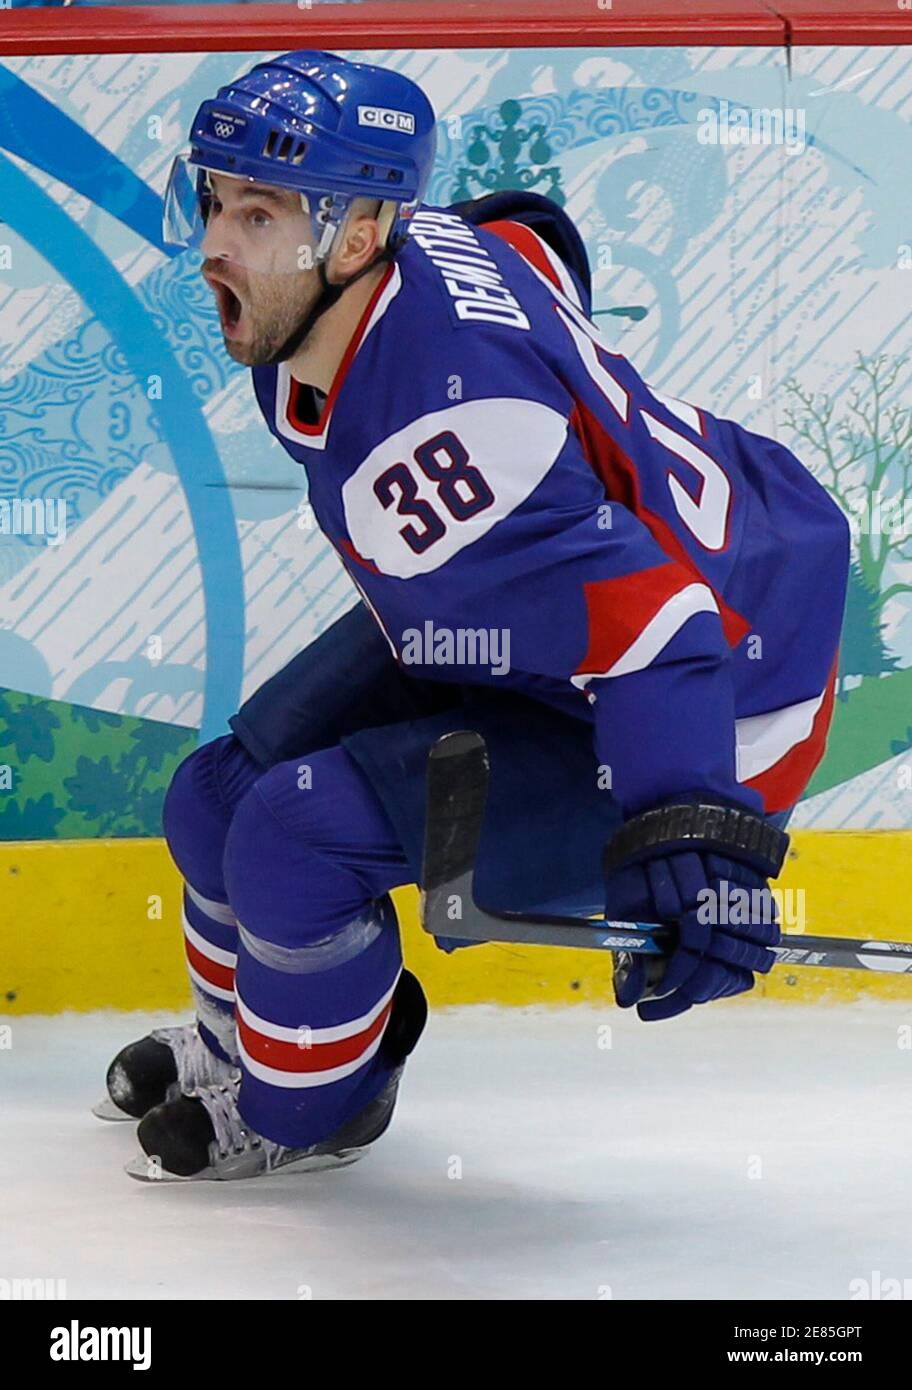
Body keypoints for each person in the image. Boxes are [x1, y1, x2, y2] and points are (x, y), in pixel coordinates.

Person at [96, 50, 850, 1182]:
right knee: (211, 800)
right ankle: (242, 1042)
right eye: (213, 199)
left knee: (288, 838)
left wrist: (699, 837)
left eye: (257, 212)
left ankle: (307, 1112)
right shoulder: (407, 253)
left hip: (721, 691)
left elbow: (662, 630)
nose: (216, 243)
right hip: (581, 608)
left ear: (356, 239)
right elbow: (533, 234)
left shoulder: (448, 456)